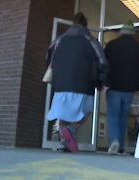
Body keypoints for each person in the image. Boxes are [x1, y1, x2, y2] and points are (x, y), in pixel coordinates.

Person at [45, 12, 109, 152]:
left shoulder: (59, 40)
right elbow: (102, 61)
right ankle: (72, 130)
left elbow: (48, 56)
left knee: (63, 114)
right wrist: (102, 81)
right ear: (85, 25)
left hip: (61, 83)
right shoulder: (90, 40)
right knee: (85, 112)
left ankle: (64, 143)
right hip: (83, 84)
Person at [104, 20, 139, 154]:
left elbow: (103, 64)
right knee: (123, 116)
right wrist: (138, 85)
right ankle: (121, 146)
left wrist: (104, 81)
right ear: (133, 34)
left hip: (113, 87)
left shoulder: (111, 46)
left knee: (113, 115)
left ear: (121, 32)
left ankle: (114, 141)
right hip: (129, 89)